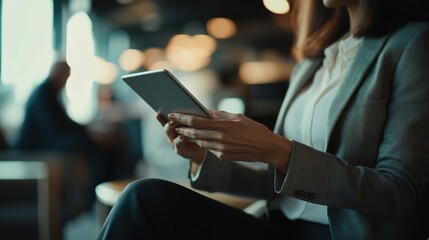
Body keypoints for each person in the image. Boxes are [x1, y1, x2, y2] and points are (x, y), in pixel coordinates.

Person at [97, 0, 429, 239]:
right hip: (277, 225)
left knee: (144, 201)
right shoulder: (312, 64)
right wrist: (203, 157)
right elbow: (277, 185)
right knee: (143, 201)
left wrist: (276, 149)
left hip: (335, 234)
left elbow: (399, 190)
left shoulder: (410, 43)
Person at [13, 61, 105, 211]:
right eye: (66, 77)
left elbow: (64, 122)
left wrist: (86, 130)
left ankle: (92, 195)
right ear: (58, 74)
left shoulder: (50, 92)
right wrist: (86, 134)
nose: (66, 81)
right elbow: (52, 129)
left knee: (89, 143)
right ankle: (91, 196)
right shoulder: (43, 93)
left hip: (45, 139)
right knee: (89, 145)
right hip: (34, 145)